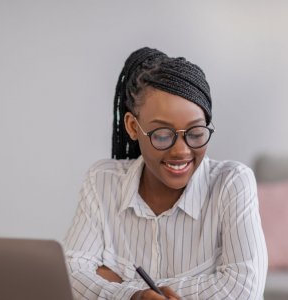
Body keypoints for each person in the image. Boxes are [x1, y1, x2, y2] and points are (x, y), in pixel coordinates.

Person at [63, 47, 268, 300]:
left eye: (195, 133)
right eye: (162, 135)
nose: (181, 151)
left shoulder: (232, 183)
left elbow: (244, 290)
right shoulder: (102, 181)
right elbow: (69, 278)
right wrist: (136, 296)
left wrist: (127, 288)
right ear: (132, 127)